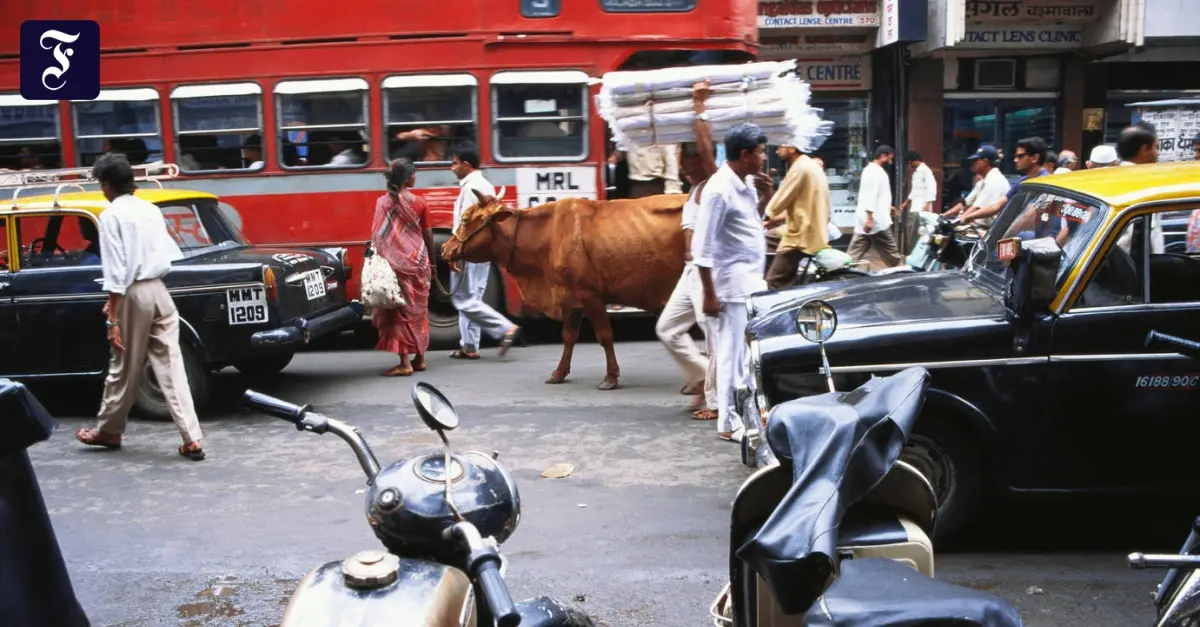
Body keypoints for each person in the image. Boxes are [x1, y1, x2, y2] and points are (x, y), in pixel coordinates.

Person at [74, 153, 205, 461]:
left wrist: (113, 316)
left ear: (106, 185)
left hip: (133, 293)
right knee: (172, 367)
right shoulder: (149, 209)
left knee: (123, 365)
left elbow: (117, 270)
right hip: (160, 290)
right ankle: (192, 438)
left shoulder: (111, 215)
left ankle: (109, 430)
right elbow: (166, 253)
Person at [693, 122, 769, 442]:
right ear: (744, 154)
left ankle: (744, 413)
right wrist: (710, 295)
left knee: (746, 358)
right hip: (731, 286)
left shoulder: (746, 183)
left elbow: (751, 225)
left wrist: (767, 195)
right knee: (730, 356)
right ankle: (727, 421)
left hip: (750, 284)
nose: (764, 157)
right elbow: (702, 248)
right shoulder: (718, 189)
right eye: (760, 152)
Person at [655, 81, 721, 420]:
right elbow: (687, 232)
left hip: (710, 271)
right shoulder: (694, 190)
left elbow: (709, 153)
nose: (682, 164)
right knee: (666, 329)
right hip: (691, 272)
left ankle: (716, 401)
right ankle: (699, 376)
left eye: (687, 157)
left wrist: (699, 107)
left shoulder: (714, 182)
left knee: (712, 336)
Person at [448, 142, 521, 359]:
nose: (452, 168)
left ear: (466, 165)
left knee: (462, 300)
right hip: (481, 251)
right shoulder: (483, 185)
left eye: (454, 163)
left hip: (468, 250)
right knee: (473, 297)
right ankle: (469, 346)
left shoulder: (472, 188)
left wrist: (456, 252)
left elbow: (466, 226)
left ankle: (504, 328)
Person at [370, 158, 435, 377]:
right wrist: (433, 264)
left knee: (399, 313)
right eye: (414, 173)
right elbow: (428, 235)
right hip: (419, 262)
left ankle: (404, 362)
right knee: (418, 312)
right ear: (408, 178)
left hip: (396, 265)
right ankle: (420, 359)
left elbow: (378, 236)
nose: (416, 176)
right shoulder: (421, 202)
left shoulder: (383, 203)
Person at [763, 143, 831, 289]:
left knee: (773, 282)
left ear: (792, 148)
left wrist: (766, 216)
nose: (777, 151)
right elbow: (796, 205)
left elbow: (779, 201)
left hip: (801, 235)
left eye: (781, 146)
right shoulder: (810, 166)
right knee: (766, 238)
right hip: (812, 229)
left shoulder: (799, 169)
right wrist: (770, 221)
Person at [961, 137, 1051, 226]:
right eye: (1015, 156)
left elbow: (1027, 217)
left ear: (1034, 158)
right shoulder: (1022, 182)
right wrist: (969, 217)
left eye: (1020, 156)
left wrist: (1002, 236)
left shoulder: (1044, 183)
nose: (1015, 160)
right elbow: (997, 205)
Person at [846, 145, 902, 268]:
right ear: (883, 156)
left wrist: (888, 206)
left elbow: (878, 196)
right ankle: (901, 271)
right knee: (891, 250)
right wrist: (870, 219)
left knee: (856, 248)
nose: (890, 162)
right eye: (890, 159)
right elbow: (871, 196)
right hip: (876, 220)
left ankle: (843, 270)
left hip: (869, 218)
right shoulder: (874, 172)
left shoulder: (871, 171)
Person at [1116, 124, 1164, 253]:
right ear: (1144, 149)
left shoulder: (1110, 178)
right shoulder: (1142, 183)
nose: (1157, 153)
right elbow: (1150, 235)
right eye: (1156, 147)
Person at [943, 145, 1009, 229]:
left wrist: (960, 220)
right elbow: (965, 203)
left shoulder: (995, 180)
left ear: (985, 162)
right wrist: (944, 215)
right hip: (980, 227)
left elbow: (977, 207)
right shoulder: (983, 180)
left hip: (992, 230)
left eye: (975, 160)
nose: (972, 164)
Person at [903, 150, 938, 215]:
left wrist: (927, 204)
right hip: (915, 205)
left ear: (916, 160)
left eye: (911, 163)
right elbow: (914, 190)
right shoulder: (916, 172)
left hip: (923, 205)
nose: (910, 165)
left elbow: (931, 187)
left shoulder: (925, 170)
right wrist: (906, 202)